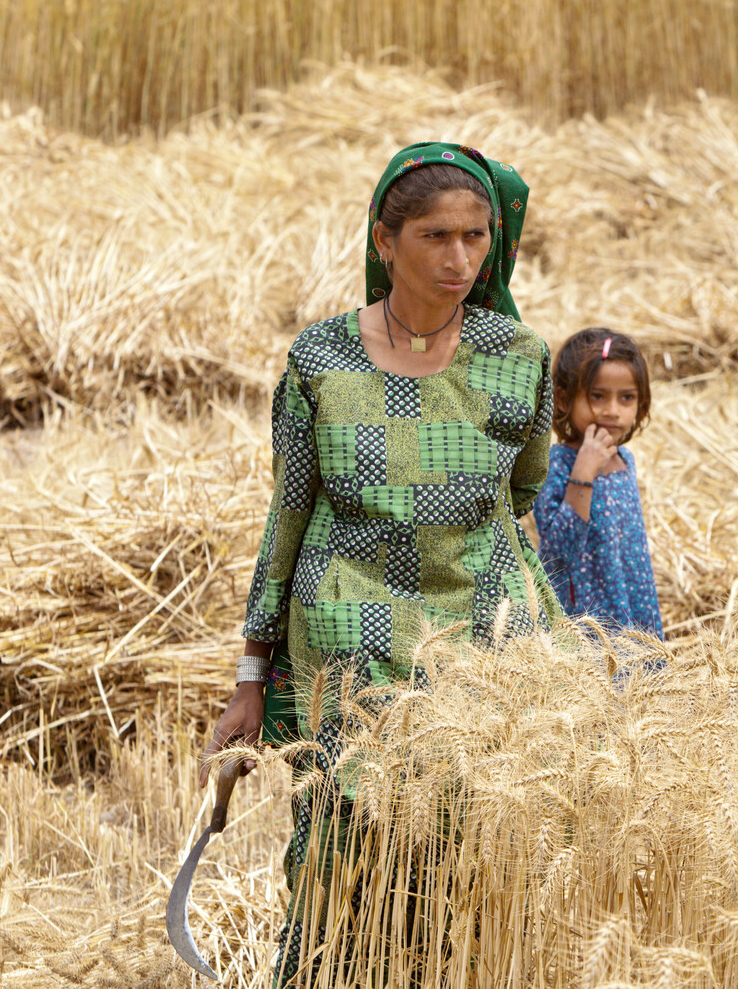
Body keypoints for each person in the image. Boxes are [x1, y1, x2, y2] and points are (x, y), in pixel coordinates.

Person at [197, 142, 563, 986]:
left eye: (478, 237)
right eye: (436, 236)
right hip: (345, 648)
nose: (461, 259)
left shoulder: (520, 358)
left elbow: (521, 494)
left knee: (474, 846)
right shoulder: (322, 360)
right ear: (384, 240)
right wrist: (253, 675)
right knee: (341, 849)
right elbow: (285, 519)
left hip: (480, 642)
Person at [535, 329, 664, 640]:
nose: (612, 410)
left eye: (627, 398)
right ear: (565, 398)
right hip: (586, 616)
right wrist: (584, 471)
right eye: (597, 395)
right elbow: (556, 552)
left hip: (633, 605)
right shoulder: (557, 463)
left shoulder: (625, 460)